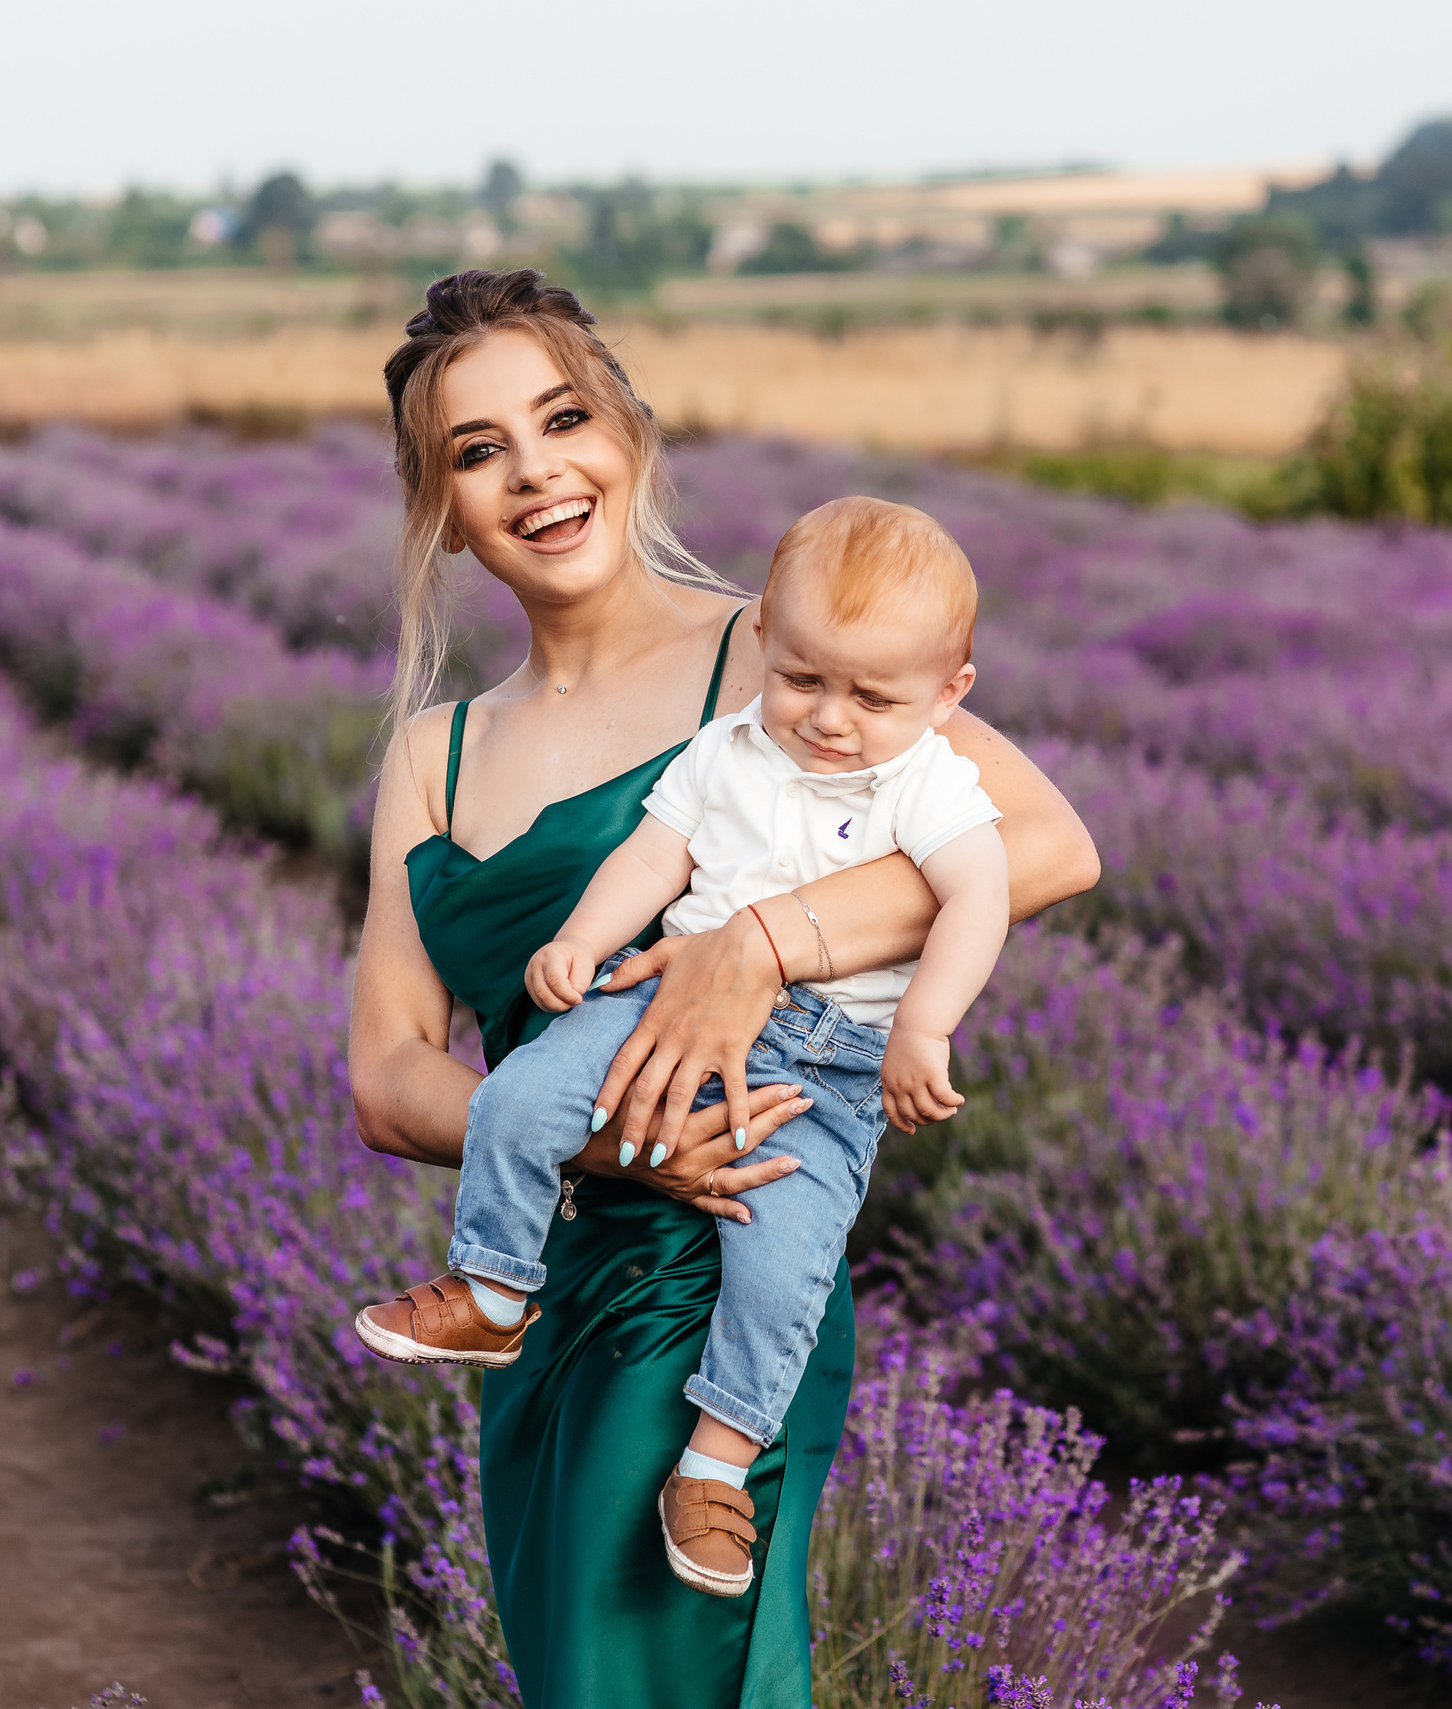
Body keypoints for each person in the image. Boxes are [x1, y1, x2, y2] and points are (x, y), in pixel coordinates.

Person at [346, 269, 1100, 1709]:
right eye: (476, 448)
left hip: (722, 1259)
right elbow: (388, 1074)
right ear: (437, 504)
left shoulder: (773, 657)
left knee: (668, 1678)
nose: (535, 471)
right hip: (540, 1271)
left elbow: (1047, 843)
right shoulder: (430, 755)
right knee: (581, 1668)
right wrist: (607, 1135)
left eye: (563, 417)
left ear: (628, 429)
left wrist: (759, 944)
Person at [355, 494, 1009, 1601]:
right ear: (764, 642)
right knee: (513, 1098)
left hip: (827, 1063)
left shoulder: (929, 778)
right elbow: (654, 857)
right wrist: (578, 941)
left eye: (873, 696)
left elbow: (981, 896)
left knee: (782, 1264)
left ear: (950, 695)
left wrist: (924, 1026)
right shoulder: (729, 745)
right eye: (803, 680)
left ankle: (714, 1466)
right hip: (649, 1007)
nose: (832, 719)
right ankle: (495, 1287)